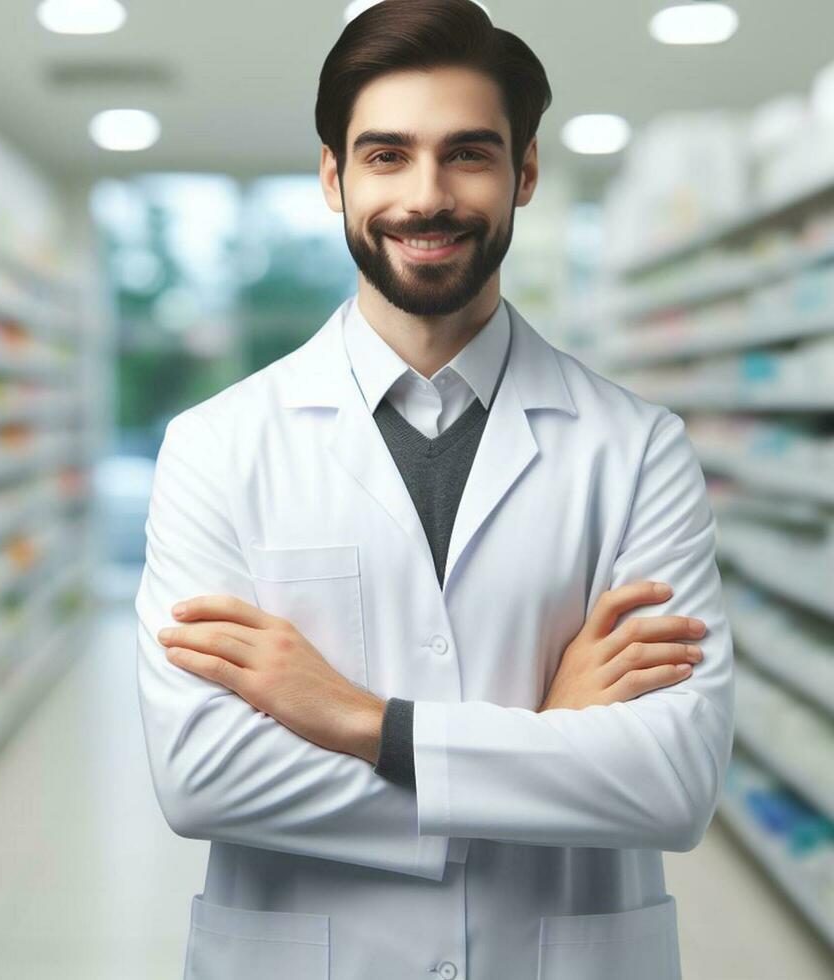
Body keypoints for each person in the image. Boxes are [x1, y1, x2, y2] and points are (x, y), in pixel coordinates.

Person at [133, 1, 733, 977]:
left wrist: (364, 723)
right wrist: (546, 744)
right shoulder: (215, 447)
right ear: (331, 175)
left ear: (522, 171)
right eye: (383, 156)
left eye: (466, 153)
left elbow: (670, 781)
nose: (425, 196)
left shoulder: (634, 449)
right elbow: (202, 775)